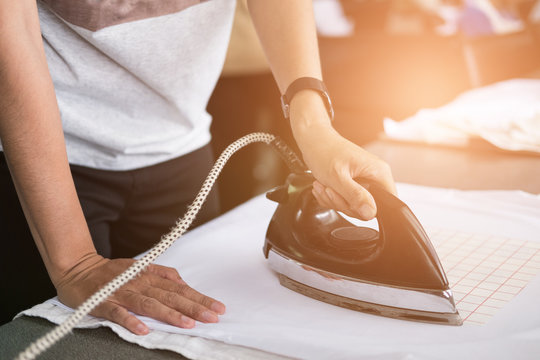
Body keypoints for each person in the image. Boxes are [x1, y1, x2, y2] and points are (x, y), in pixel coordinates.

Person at [0, 0, 395, 334]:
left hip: (184, 150)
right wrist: (74, 264)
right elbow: (10, 31)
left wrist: (314, 129)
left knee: (192, 330)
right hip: (48, 161)